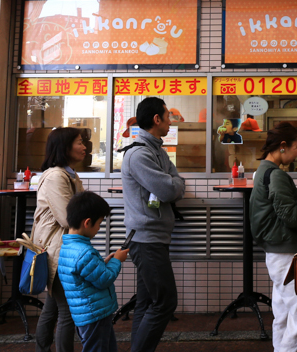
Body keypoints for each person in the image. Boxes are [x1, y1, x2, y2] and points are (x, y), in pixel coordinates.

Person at [121, 97, 186, 352]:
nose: (171, 120)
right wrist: (173, 183)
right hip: (145, 240)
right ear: (156, 120)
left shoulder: (158, 150)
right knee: (165, 303)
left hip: (155, 238)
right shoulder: (138, 154)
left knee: (147, 303)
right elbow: (170, 189)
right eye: (168, 116)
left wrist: (174, 183)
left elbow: (176, 181)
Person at [249, 122, 297, 352]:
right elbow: (290, 216)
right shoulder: (275, 174)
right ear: (283, 146)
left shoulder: (262, 171)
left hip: (274, 252)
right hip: (286, 253)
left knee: (283, 312)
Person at [31, 127, 87, 352]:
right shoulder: (56, 176)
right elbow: (68, 218)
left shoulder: (69, 174)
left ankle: (41, 349)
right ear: (65, 147)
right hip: (58, 251)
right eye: (79, 142)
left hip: (62, 249)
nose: (84, 147)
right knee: (67, 312)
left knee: (53, 308)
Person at [58, 191, 129, 352]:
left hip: (85, 314)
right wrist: (117, 260)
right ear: (87, 223)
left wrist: (103, 262)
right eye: (99, 224)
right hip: (95, 315)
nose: (99, 228)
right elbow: (104, 278)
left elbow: (84, 274)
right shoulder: (84, 252)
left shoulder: (68, 247)